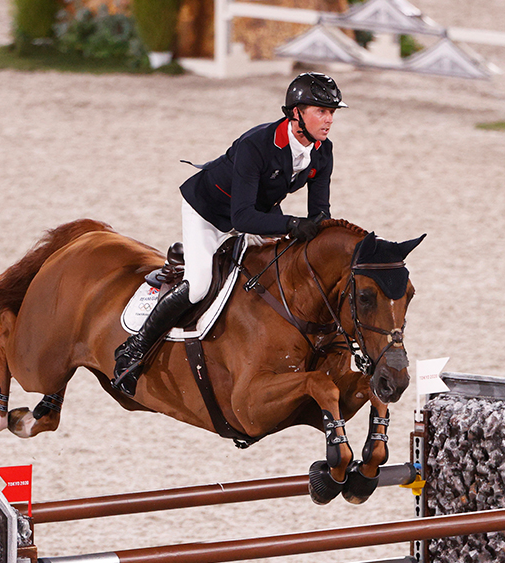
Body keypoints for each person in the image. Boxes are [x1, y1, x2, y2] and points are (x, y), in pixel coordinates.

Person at [112, 72, 348, 397]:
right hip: (210, 212)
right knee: (198, 286)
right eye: (321, 111)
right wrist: (293, 226)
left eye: (332, 112)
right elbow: (241, 217)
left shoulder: (322, 151)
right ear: (296, 114)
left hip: (258, 211)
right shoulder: (257, 144)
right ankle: (133, 349)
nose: (329, 119)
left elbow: (320, 212)